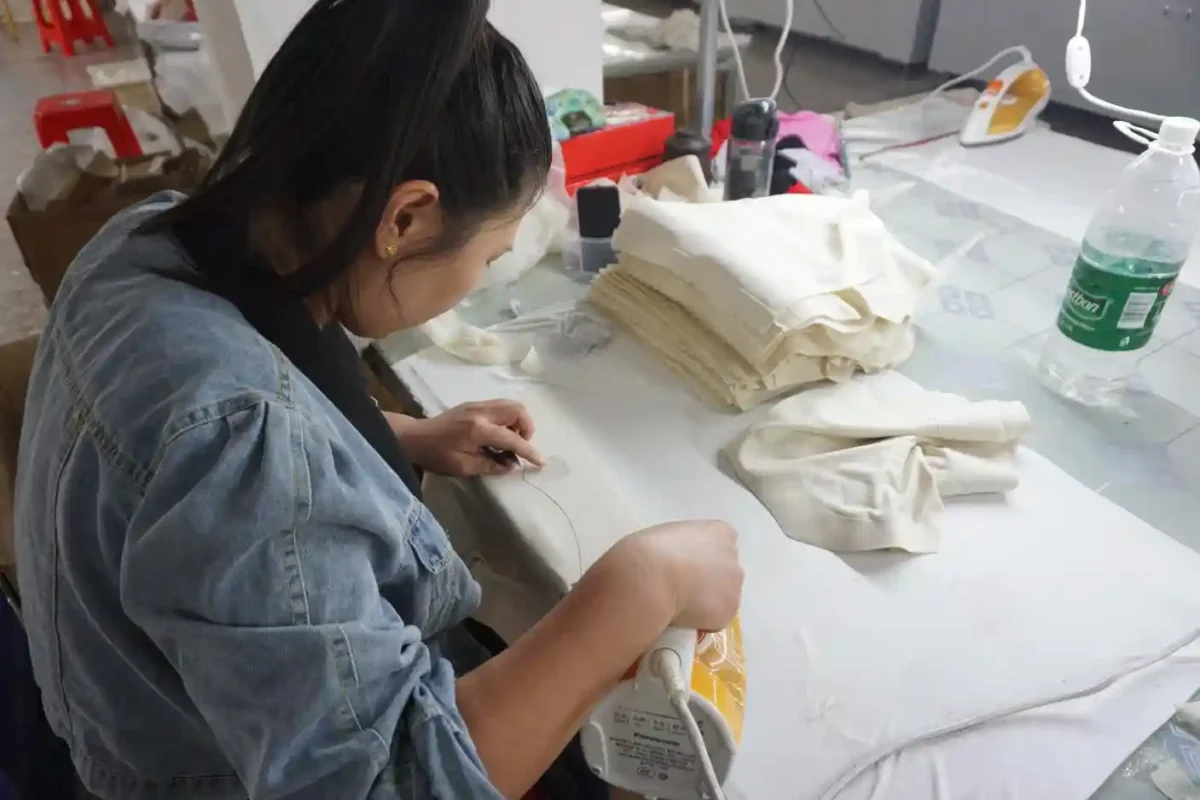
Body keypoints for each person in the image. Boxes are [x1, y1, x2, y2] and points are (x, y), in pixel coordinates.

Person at [13, 1, 743, 799]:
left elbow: (168, 455)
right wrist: (642, 586)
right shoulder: (244, 449)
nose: (483, 275)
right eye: (492, 254)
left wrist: (397, 435)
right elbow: (390, 786)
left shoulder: (145, 240)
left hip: (123, 710)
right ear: (405, 217)